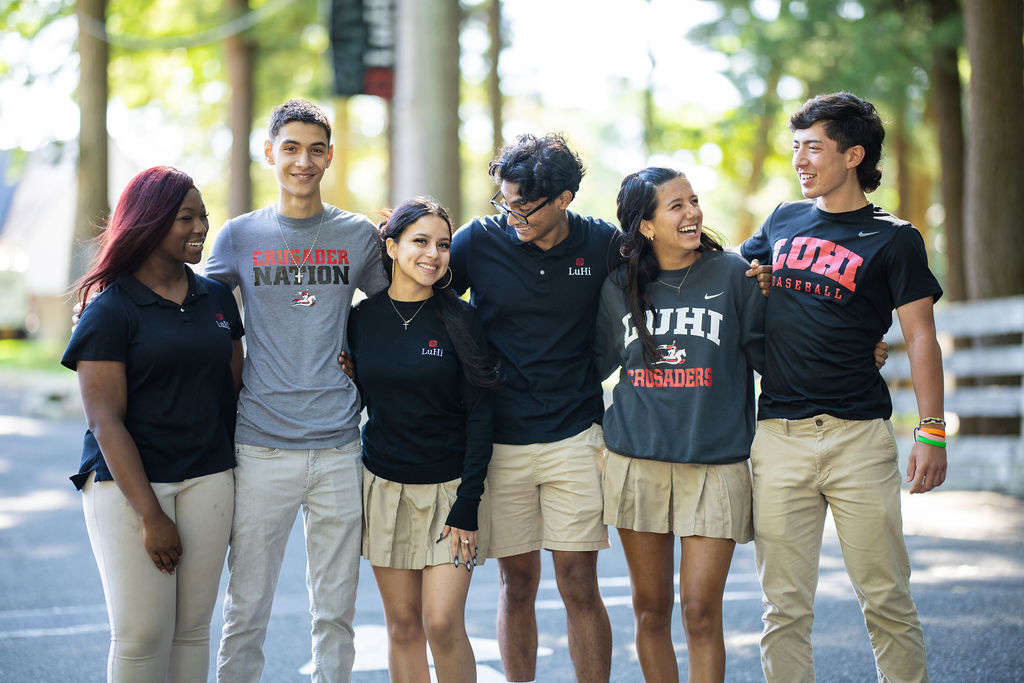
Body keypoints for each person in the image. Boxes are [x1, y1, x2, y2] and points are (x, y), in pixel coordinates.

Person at [739, 92, 946, 682]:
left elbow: (922, 338)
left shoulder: (895, 238)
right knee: (783, 607)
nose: (800, 160)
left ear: (854, 154)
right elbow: (728, 278)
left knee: (886, 599)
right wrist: (758, 280)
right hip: (779, 435)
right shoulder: (782, 220)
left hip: (859, 437)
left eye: (814, 147)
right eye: (796, 147)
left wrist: (932, 432)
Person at [207, 99, 388, 682]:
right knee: (247, 606)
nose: (302, 161)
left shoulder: (358, 236)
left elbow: (396, 311)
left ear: (329, 156)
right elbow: (189, 307)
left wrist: (366, 362)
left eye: (315, 150)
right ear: (269, 153)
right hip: (261, 445)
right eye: (290, 148)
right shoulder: (240, 236)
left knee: (334, 612)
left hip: (338, 446)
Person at [448, 133, 619, 683]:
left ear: (565, 197)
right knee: (515, 582)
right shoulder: (478, 241)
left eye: (524, 205)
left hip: (574, 433)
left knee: (577, 581)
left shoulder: (601, 244)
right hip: (500, 437)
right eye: (505, 201)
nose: (511, 214)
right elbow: (423, 294)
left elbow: (661, 291)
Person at [62, 166, 244, 682]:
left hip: (209, 477)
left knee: (192, 630)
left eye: (203, 216)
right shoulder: (110, 308)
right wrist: (151, 516)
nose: (200, 227)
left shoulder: (215, 299)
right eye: (185, 217)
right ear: (150, 222)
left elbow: (234, 390)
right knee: (142, 635)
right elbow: (104, 421)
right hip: (129, 490)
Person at [593, 167, 764, 683]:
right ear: (645, 225)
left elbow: (777, 351)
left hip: (716, 463)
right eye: (676, 205)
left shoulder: (736, 275)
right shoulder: (619, 286)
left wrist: (854, 349)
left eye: (694, 201)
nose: (692, 213)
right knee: (650, 610)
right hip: (636, 461)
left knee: (700, 610)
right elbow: (589, 365)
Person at [347, 197, 501, 683]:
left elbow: (482, 417)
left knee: (442, 622)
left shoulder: (462, 320)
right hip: (385, 489)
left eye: (443, 245)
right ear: (391, 247)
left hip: (452, 490)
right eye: (420, 242)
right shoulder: (360, 319)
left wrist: (468, 503)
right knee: (404, 625)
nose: (433, 254)